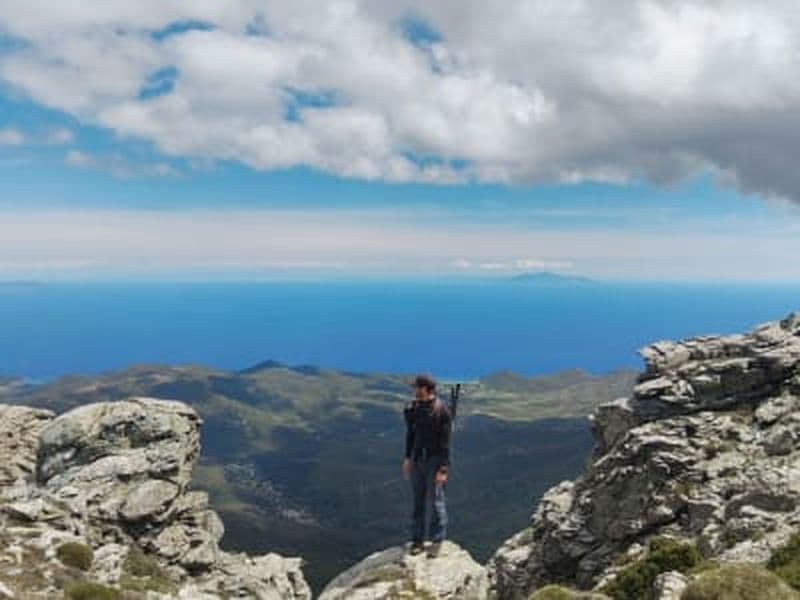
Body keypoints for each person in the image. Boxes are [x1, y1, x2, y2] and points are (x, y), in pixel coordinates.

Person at [402, 372, 452, 557]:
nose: (414, 390)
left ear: (425, 389)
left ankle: (437, 540)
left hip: (434, 461)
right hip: (417, 459)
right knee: (418, 501)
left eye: (416, 387)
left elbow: (446, 442)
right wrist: (408, 458)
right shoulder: (414, 408)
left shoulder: (442, 411)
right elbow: (411, 435)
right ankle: (417, 541)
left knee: (436, 501)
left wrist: (443, 469)